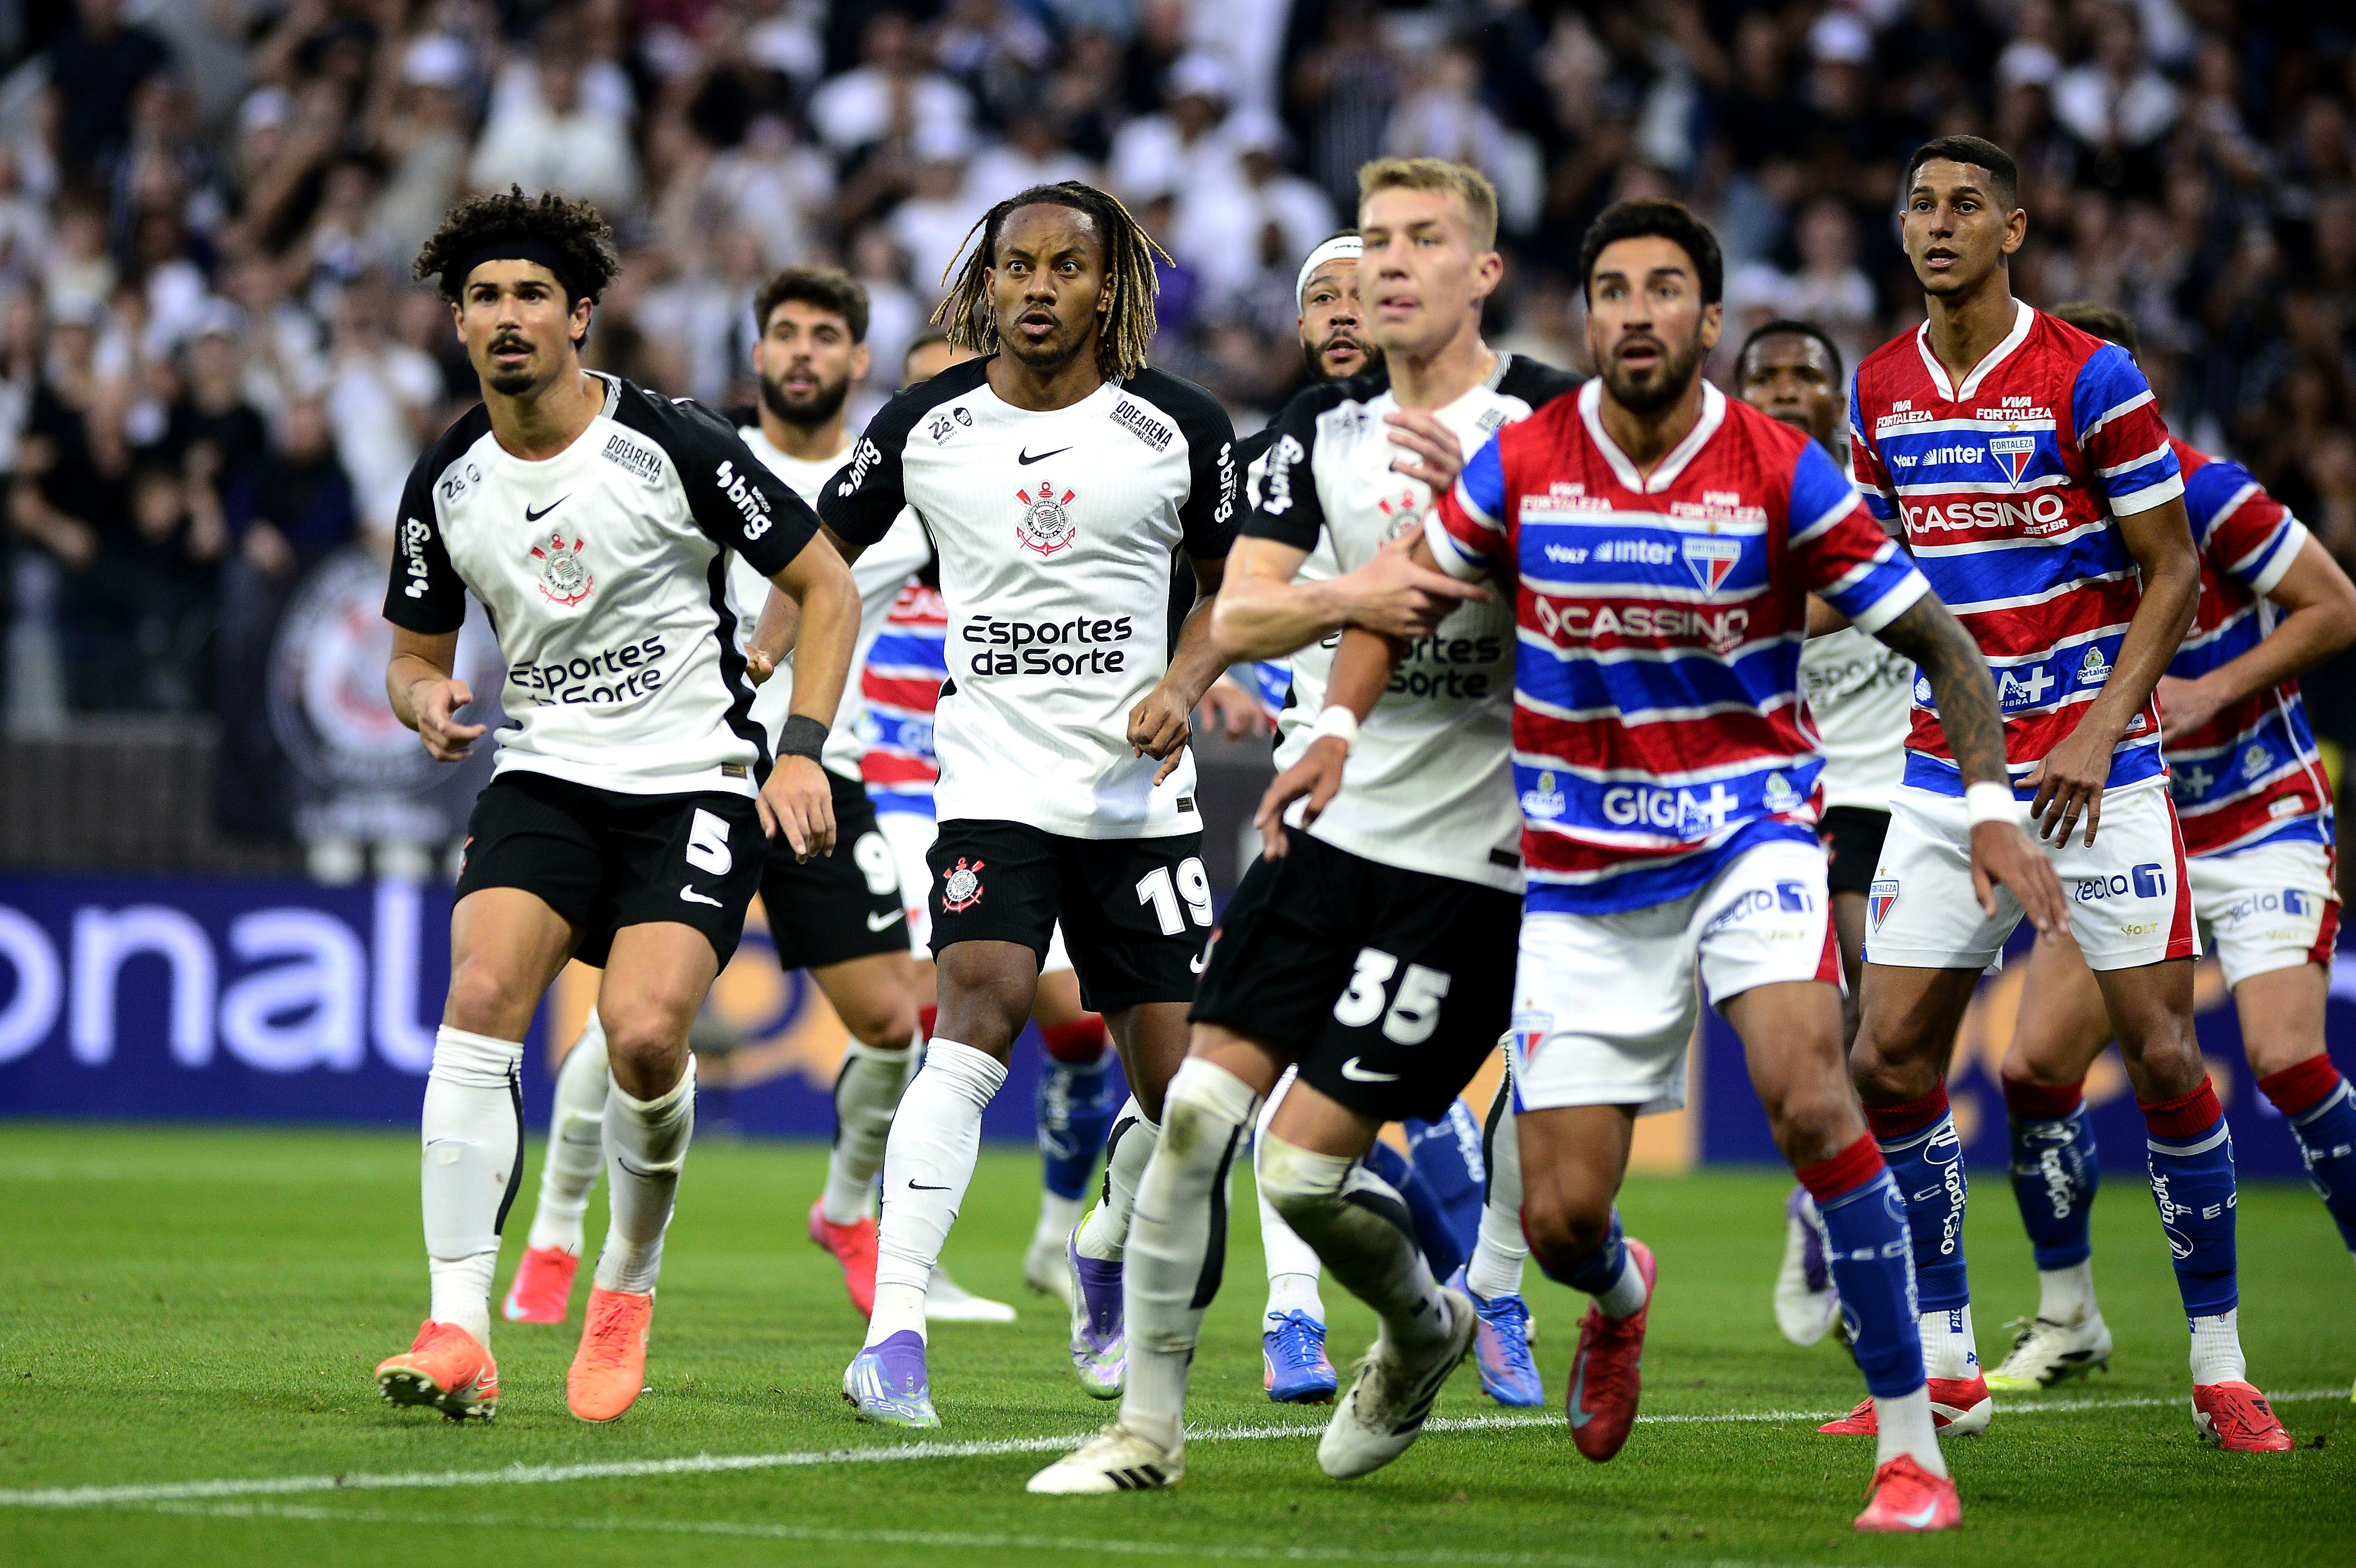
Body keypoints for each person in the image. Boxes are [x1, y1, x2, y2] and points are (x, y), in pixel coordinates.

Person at [1264, 196, 2042, 1532]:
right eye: (1613, 291)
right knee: (1561, 1220)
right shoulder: (1521, 463)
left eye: (1663, 289)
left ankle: (1912, 1451)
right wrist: (1334, 727)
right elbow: (1399, 599)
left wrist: (1985, 802)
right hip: (1577, 873)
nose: (1636, 313)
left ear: (1706, 318)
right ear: (1585, 318)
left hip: (1749, 839)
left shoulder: (1777, 467)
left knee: (1813, 1099)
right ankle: (1618, 1295)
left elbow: (1939, 638)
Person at [1026, 157, 1577, 1495]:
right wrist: (1365, 592)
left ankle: (1432, 1323)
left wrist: (1489, 537)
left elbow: (1607, 605)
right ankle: (1145, 1433)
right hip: (1324, 825)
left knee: (1300, 1175)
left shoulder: (1550, 421)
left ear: (1480, 271)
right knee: (1195, 1111)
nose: (1383, 270)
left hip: (1475, 858)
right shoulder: (1312, 433)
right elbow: (1244, 609)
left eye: (1417, 241)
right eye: (1370, 244)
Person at [370, 187, 859, 1426]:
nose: (507, 316)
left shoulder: (673, 443)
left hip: (691, 778)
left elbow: (825, 585)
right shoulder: (447, 478)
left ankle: (625, 1284)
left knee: (642, 1037)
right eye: (483, 297)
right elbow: (412, 654)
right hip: (542, 771)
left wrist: (800, 753)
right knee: (481, 993)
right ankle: (458, 1324)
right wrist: (424, 698)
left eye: (532, 294)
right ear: (457, 322)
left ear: (579, 315)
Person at [1841, 136, 2290, 1452]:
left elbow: (2172, 571)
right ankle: (1944, 1359)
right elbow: (1878, 576)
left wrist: (2100, 728)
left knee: (2161, 1054)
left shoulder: (2090, 376)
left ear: (2014, 230)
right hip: (1947, 773)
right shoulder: (1878, 386)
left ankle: (2217, 1364)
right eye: (1918, 204)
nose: (1936, 223)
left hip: (2100, 775)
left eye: (1964, 205)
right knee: (1884, 1057)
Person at [497, 271, 1012, 1331]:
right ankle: (554, 1231)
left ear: (857, 361)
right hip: (694, 768)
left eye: (824, 335)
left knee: (891, 1021)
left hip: (826, 771)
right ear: (758, 351)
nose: (802, 352)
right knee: (635, 1019)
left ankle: (846, 1211)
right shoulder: (696, 452)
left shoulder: (895, 485)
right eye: (783, 332)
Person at [814, 181, 1237, 1428]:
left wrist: (1185, 681)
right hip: (991, 784)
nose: (1039, 286)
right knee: (977, 1015)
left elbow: (1233, 585)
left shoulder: (1179, 425)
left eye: (1066, 266)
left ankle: (1103, 1240)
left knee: (1186, 1102)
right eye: (1017, 265)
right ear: (985, 282)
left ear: (1107, 287)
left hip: (1138, 800)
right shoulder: (925, 423)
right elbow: (819, 559)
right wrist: (776, 686)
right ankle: (893, 1334)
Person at [1983, 302, 2356, 1408]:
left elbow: (2335, 606)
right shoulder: (2021, 515)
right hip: (2124, 822)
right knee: (2031, 1069)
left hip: (2254, 813)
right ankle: (2069, 1317)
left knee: (2286, 1058)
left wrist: (2208, 686)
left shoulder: (2206, 492)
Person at [861, 329, 1126, 1316]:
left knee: (1082, 1028)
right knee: (933, 1018)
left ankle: (1056, 1238)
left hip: (1013, 794)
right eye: (921, 394)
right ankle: (894, 1246)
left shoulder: (1040, 517)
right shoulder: (872, 522)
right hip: (894, 794)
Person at [1733, 318, 1914, 1350]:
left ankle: (1830, 1191)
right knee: (1842, 1012)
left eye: (1805, 373)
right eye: (1764, 375)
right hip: (1788, 788)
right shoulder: (1714, 502)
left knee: (1888, 1025)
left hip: (1900, 783)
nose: (1785, 387)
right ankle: (1833, 1192)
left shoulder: (1884, 492)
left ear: (1837, 397)